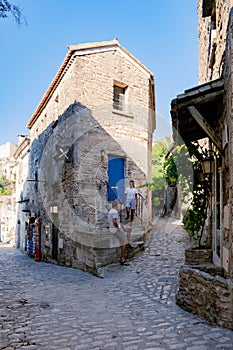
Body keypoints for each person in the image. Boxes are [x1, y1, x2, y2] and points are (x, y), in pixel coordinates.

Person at [108, 200, 132, 265]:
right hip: (116, 229)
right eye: (118, 205)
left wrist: (121, 225)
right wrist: (118, 228)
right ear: (116, 205)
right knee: (124, 242)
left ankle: (128, 242)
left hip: (113, 228)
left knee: (129, 229)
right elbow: (114, 222)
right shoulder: (115, 212)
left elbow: (116, 221)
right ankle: (122, 258)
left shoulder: (110, 211)